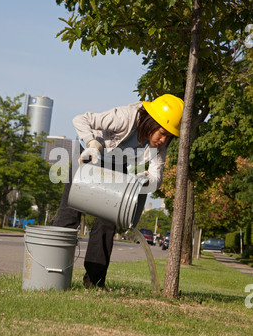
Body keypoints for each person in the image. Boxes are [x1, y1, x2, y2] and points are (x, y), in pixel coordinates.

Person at [53, 94, 183, 289]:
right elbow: (81, 119)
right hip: (92, 154)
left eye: (169, 136)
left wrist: (146, 180)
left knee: (107, 222)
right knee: (69, 214)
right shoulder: (124, 117)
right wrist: (92, 143)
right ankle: (53, 272)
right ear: (151, 121)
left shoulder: (160, 144)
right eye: (162, 133)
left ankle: (94, 281)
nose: (163, 139)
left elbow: (156, 175)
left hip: (116, 164)